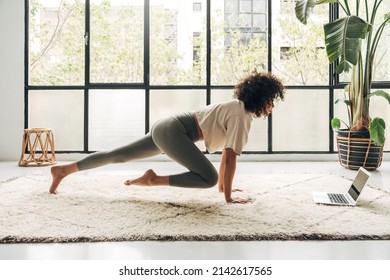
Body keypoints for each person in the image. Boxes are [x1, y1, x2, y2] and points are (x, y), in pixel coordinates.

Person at [49, 71, 285, 204]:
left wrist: (226, 189)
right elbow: (231, 159)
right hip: (174, 131)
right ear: (263, 98)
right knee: (208, 177)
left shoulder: (237, 107)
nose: (272, 105)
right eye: (272, 100)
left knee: (117, 156)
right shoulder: (242, 115)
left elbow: (226, 155)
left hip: (168, 127)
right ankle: (153, 180)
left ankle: (63, 170)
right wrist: (228, 198)